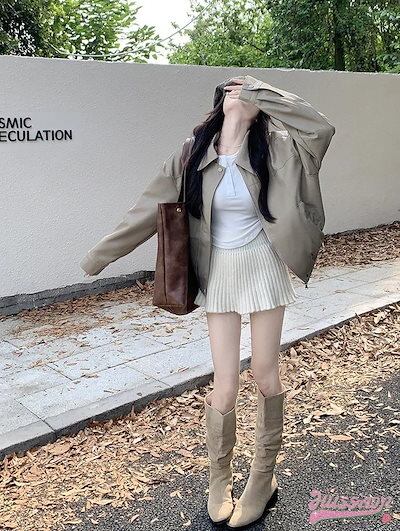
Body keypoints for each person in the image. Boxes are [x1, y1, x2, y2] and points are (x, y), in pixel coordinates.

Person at [80, 73, 335, 528]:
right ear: (221, 99)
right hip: (219, 272)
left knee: (264, 372)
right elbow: (148, 207)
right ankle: (220, 480)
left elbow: (320, 128)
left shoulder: (277, 146)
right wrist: (99, 256)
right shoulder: (193, 152)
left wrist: (264, 94)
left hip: (263, 266)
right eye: (235, 87)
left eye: (250, 88)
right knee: (225, 382)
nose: (242, 91)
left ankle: (262, 480)